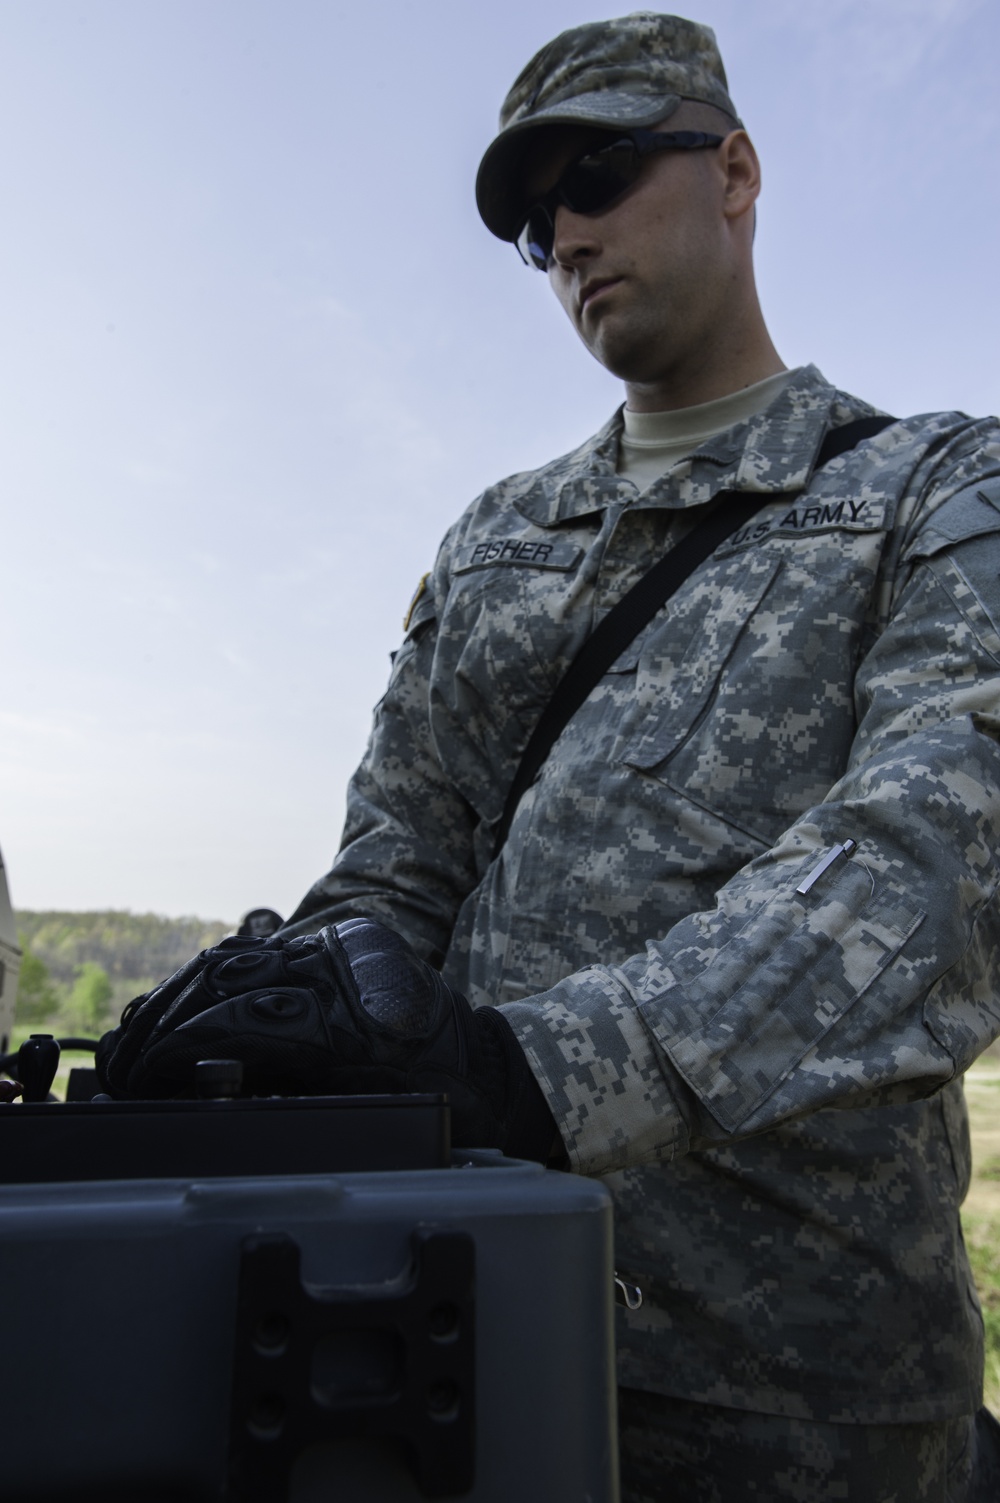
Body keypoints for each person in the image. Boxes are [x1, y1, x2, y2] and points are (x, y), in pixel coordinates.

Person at [98, 13, 1000, 1499]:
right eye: (534, 221)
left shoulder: (936, 490)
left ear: (736, 170)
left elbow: (940, 862)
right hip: (454, 1324)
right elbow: (400, 861)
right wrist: (284, 1036)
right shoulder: (500, 539)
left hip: (794, 1394)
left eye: (597, 173)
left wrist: (533, 1071)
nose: (566, 235)